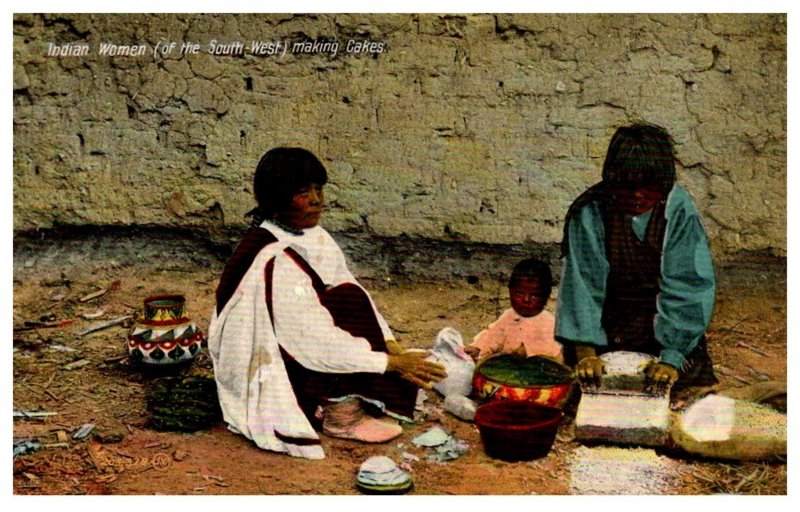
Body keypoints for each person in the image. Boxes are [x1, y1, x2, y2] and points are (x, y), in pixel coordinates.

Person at [208, 147, 446, 459]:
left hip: (301, 339)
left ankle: (345, 393)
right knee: (345, 327)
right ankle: (340, 414)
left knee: (348, 296)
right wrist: (388, 363)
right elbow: (311, 338)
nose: (316, 200)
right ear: (277, 198)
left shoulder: (313, 235)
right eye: (303, 192)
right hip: (259, 359)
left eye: (319, 189)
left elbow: (350, 288)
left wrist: (389, 344)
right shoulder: (274, 255)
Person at [555, 123, 718, 396]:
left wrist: (672, 358)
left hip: (661, 324)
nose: (638, 196)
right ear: (612, 179)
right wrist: (586, 354)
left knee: (683, 395)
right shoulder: (590, 210)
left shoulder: (678, 210)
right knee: (594, 389)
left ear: (664, 184)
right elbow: (582, 286)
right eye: (627, 186)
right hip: (605, 328)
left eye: (649, 188)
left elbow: (688, 284)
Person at [464, 258, 563, 363]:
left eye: (534, 295)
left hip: (538, 371)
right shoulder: (509, 316)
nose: (526, 300)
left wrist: (528, 350)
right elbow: (493, 335)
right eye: (519, 293)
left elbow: (552, 348)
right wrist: (478, 348)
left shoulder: (548, 321)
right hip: (509, 369)